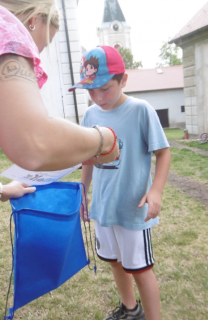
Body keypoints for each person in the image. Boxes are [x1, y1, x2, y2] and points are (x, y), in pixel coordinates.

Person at [0, 1, 119, 319]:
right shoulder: (4, 26)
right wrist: (104, 140)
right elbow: (33, 143)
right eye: (40, 47)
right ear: (33, 21)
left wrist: (2, 190)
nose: (34, 59)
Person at [71, 46, 171, 320]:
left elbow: (163, 152)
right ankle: (131, 309)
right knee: (114, 262)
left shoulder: (141, 110)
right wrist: (83, 193)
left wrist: (156, 191)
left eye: (105, 88)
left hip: (132, 207)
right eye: (91, 91)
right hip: (104, 207)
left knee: (139, 268)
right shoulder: (91, 115)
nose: (98, 97)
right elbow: (88, 160)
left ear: (123, 80)